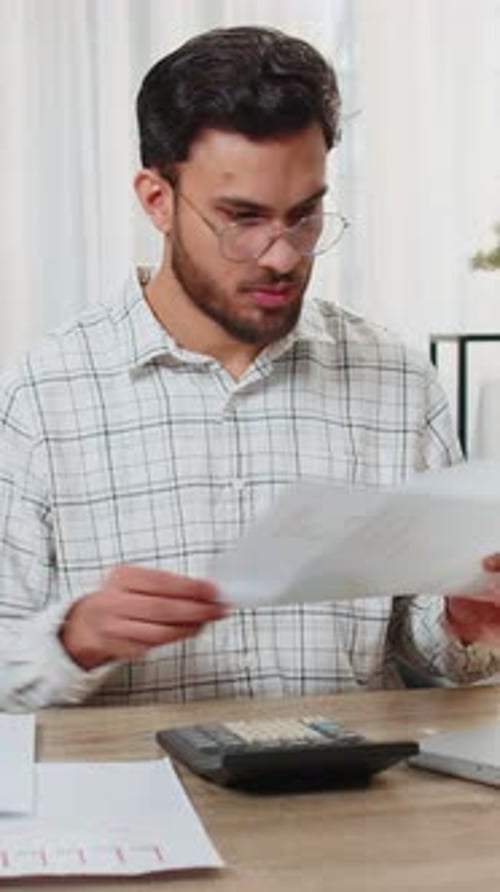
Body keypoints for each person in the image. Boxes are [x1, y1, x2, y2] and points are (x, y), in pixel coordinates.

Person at [1, 25, 499, 712]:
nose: (283, 256)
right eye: (242, 218)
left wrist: (461, 625)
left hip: (357, 806)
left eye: (306, 215)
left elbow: (424, 658)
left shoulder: (399, 382)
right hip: (139, 809)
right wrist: (75, 639)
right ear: (157, 200)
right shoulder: (41, 397)